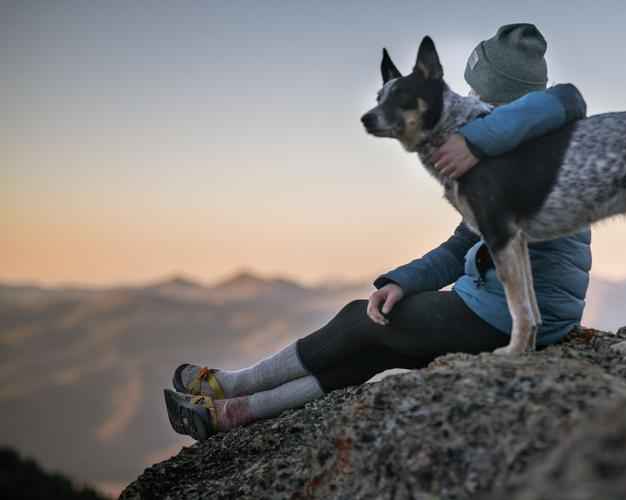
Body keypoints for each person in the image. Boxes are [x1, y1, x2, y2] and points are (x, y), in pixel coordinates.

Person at [164, 24, 592, 442]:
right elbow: (463, 241)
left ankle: (232, 386)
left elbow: (568, 100)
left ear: (503, 97)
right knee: (375, 347)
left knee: (360, 320)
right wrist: (403, 280)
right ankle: (232, 415)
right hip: (492, 301)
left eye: (477, 90)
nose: (468, 98)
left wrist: (478, 139)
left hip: (520, 315)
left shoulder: (540, 147)